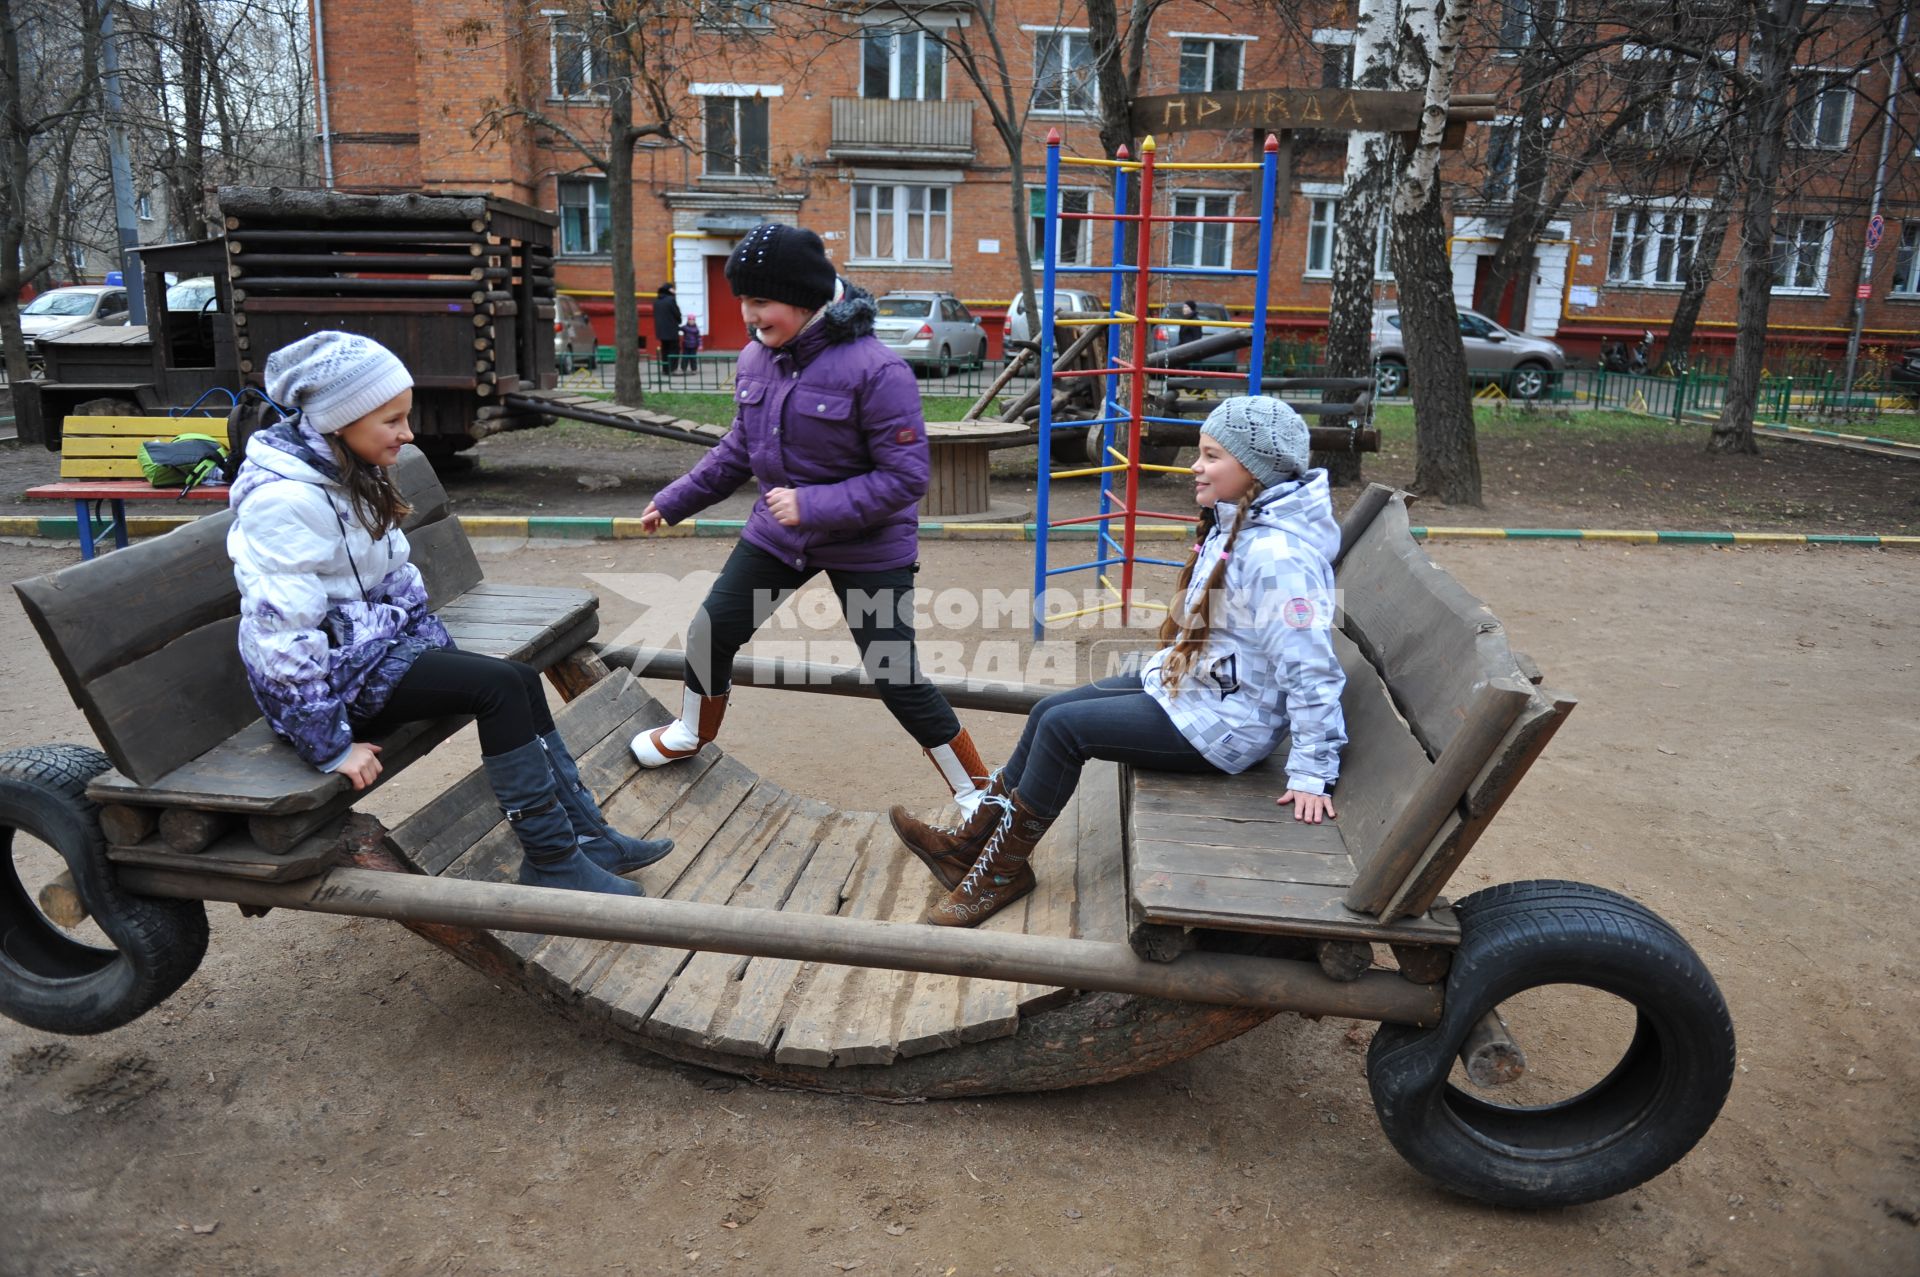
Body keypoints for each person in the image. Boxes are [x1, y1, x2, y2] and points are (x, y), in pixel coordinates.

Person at [227, 331, 670, 899]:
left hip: (372, 657)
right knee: (498, 689)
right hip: (331, 689)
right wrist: (329, 744)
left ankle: (587, 836)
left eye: (405, 417)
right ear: (340, 420)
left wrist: (431, 651)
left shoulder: (349, 474)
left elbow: (395, 577)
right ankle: (553, 859)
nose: (407, 433)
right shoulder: (286, 502)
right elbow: (278, 637)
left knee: (514, 678)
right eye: (392, 420)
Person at [894, 395, 1348, 927]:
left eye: (1211, 456)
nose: (1195, 466)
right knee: (1050, 711)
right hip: (1201, 691)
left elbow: (1312, 670)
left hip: (1227, 726)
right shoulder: (1240, 522)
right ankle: (970, 846)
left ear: (1254, 470)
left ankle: (1003, 872)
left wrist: (1312, 772)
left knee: (1066, 729)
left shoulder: (1278, 557)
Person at [631, 222, 994, 818]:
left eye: (760, 302)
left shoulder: (878, 371)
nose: (749, 316)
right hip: (778, 538)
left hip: (868, 548)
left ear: (804, 298)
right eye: (742, 301)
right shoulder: (756, 358)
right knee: (708, 632)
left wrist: (811, 504)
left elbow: (905, 479)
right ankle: (691, 732)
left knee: (894, 673)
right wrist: (676, 500)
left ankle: (977, 789)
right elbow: (738, 449)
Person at [654, 282, 683, 376]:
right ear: (669, 290)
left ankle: (665, 369)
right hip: (671, 330)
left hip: (661, 331)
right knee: (674, 349)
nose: (674, 290)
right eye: (673, 288)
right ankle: (673, 369)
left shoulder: (657, 301)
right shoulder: (670, 300)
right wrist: (679, 320)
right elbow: (677, 314)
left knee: (665, 350)